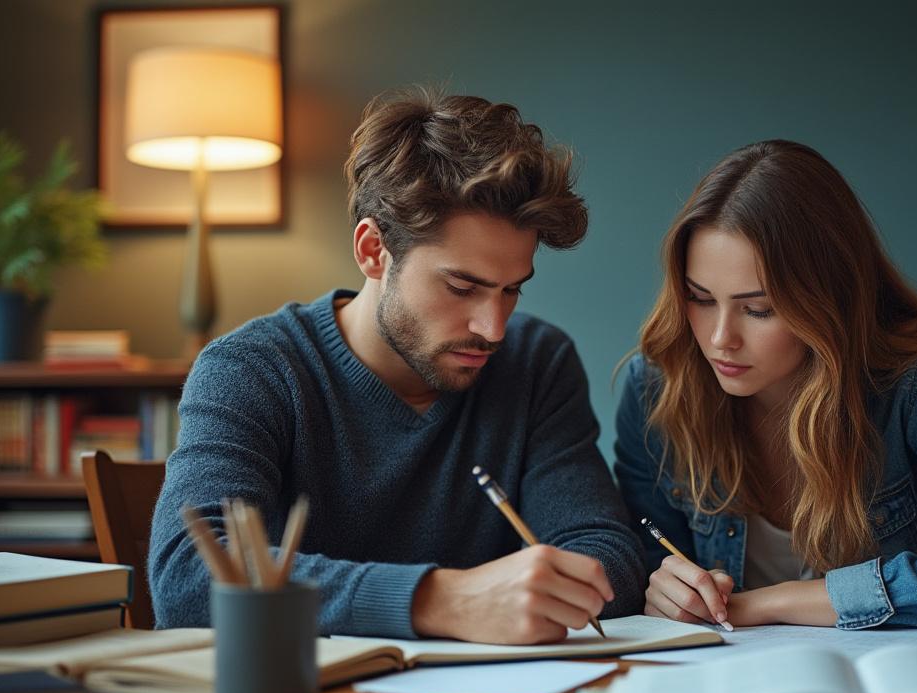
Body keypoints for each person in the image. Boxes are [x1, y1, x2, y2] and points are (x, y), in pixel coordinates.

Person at [150, 89, 646, 643]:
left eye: (512, 290)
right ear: (372, 250)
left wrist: (566, 582)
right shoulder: (251, 370)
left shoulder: (536, 361)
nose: (494, 328)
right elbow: (188, 578)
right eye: (462, 286)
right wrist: (441, 601)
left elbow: (610, 555)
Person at [615, 140, 917, 630]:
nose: (720, 339)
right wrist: (664, 587)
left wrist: (771, 602)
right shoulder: (658, 388)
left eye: (758, 309)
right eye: (699, 298)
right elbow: (644, 560)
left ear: (829, 299)